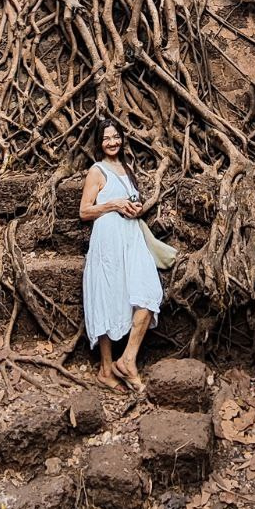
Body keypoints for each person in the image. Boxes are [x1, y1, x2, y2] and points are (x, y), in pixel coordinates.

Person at [80, 117, 163, 391]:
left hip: (131, 238)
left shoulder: (127, 169)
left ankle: (127, 359)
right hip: (107, 241)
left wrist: (134, 207)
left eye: (116, 137)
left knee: (149, 293)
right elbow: (84, 211)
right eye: (106, 138)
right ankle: (106, 369)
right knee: (108, 297)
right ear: (99, 143)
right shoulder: (96, 170)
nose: (112, 142)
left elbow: (130, 201)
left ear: (122, 139)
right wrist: (113, 204)